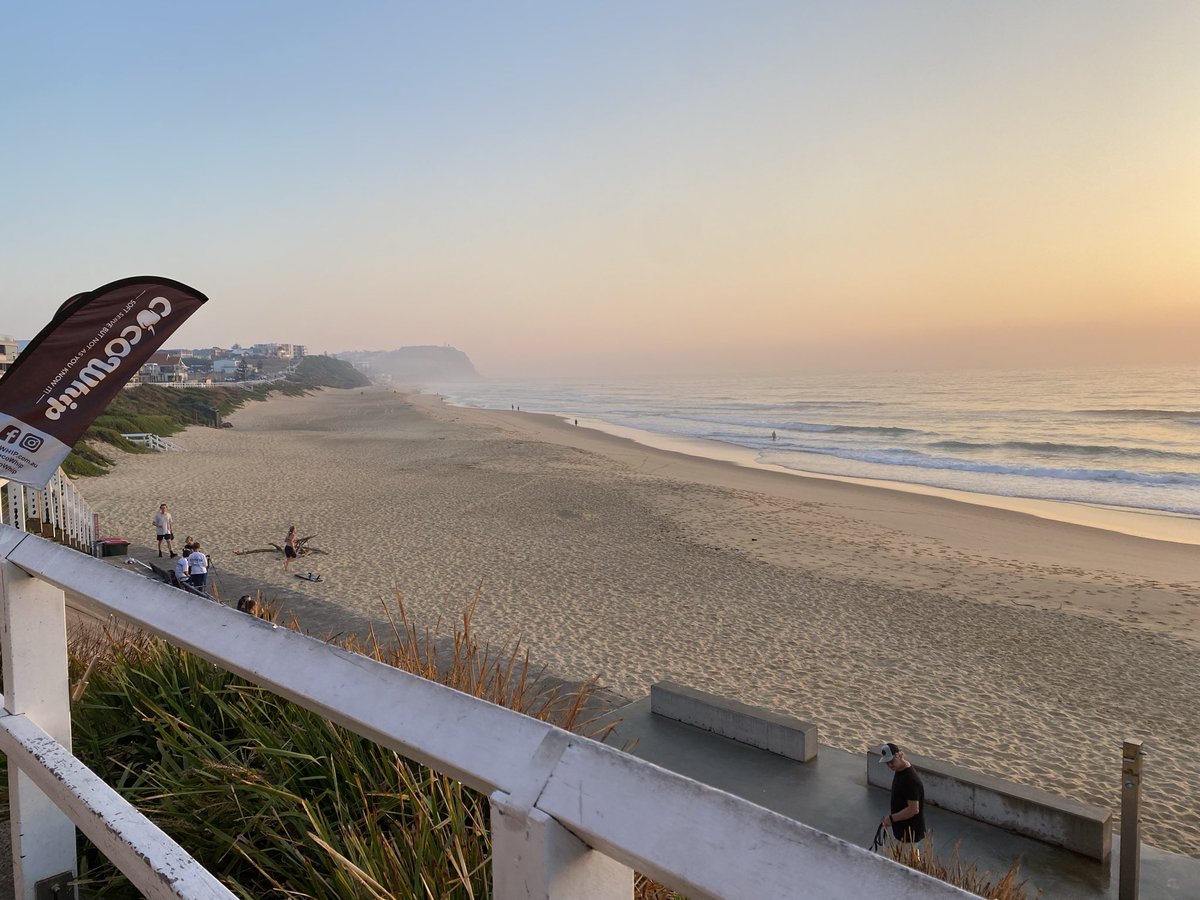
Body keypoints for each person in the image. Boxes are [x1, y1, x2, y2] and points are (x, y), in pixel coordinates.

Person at [879, 742, 926, 844]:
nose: (889, 765)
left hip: (910, 835)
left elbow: (913, 809)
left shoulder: (910, 779)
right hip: (903, 833)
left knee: (907, 855)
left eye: (891, 761)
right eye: (887, 762)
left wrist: (891, 819)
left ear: (900, 755)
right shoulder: (900, 770)